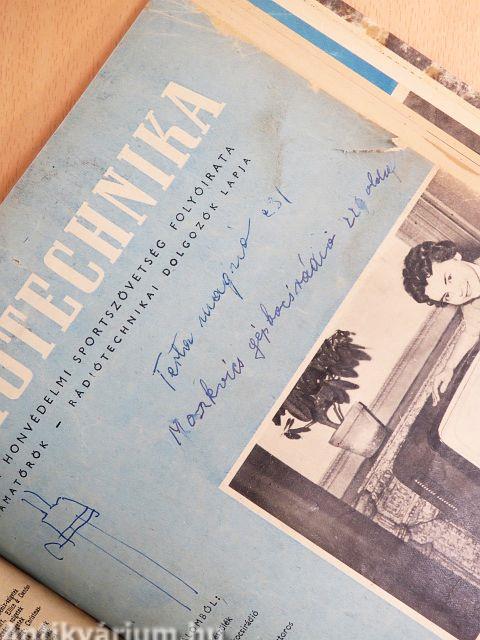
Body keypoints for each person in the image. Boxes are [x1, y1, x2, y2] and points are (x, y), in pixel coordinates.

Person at [403, 240, 480, 405]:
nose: (458, 293)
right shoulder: (472, 303)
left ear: (455, 257)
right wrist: (448, 367)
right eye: (447, 296)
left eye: (449, 278)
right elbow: (471, 332)